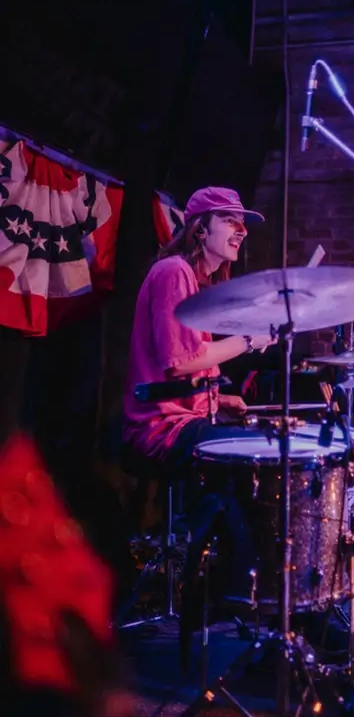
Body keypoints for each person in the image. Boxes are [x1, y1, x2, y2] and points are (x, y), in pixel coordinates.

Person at [122, 186, 275, 659]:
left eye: (243, 222)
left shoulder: (191, 281)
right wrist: (248, 339)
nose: (242, 230)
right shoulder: (173, 272)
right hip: (157, 429)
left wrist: (220, 398)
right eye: (231, 220)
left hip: (182, 419)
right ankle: (231, 592)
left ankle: (232, 589)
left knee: (254, 448)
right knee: (242, 458)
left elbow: (188, 371)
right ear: (199, 228)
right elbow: (179, 362)